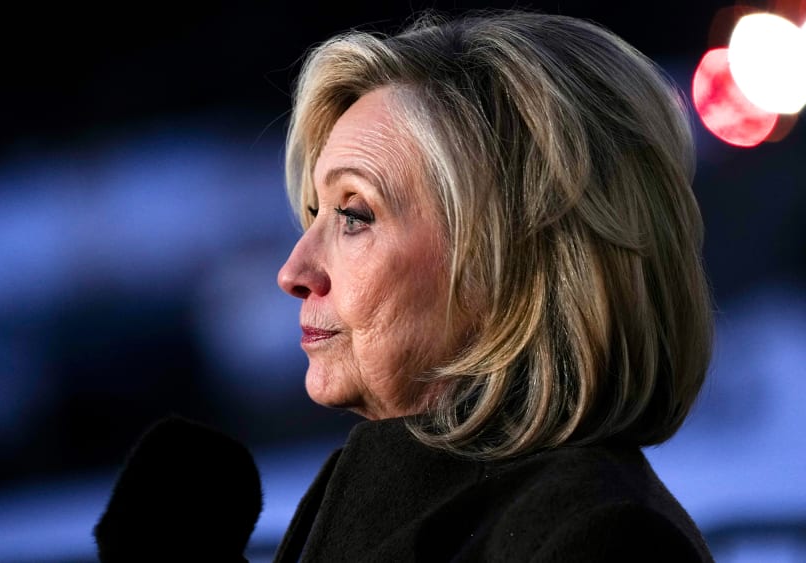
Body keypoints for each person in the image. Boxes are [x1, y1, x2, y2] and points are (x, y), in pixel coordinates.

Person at [272, 9, 716, 562]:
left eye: (355, 214)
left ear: (514, 263)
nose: (294, 271)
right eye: (315, 212)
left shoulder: (604, 541)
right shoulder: (361, 499)